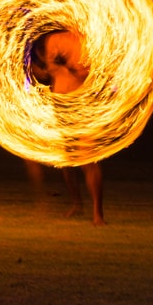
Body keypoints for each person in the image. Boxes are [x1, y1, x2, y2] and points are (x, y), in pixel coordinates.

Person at [28, 30, 105, 226]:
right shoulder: (52, 40)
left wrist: (69, 66)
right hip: (60, 105)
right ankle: (77, 203)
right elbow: (50, 73)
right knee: (67, 162)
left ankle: (98, 213)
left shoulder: (86, 41)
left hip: (81, 107)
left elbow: (90, 74)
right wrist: (36, 69)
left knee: (88, 160)